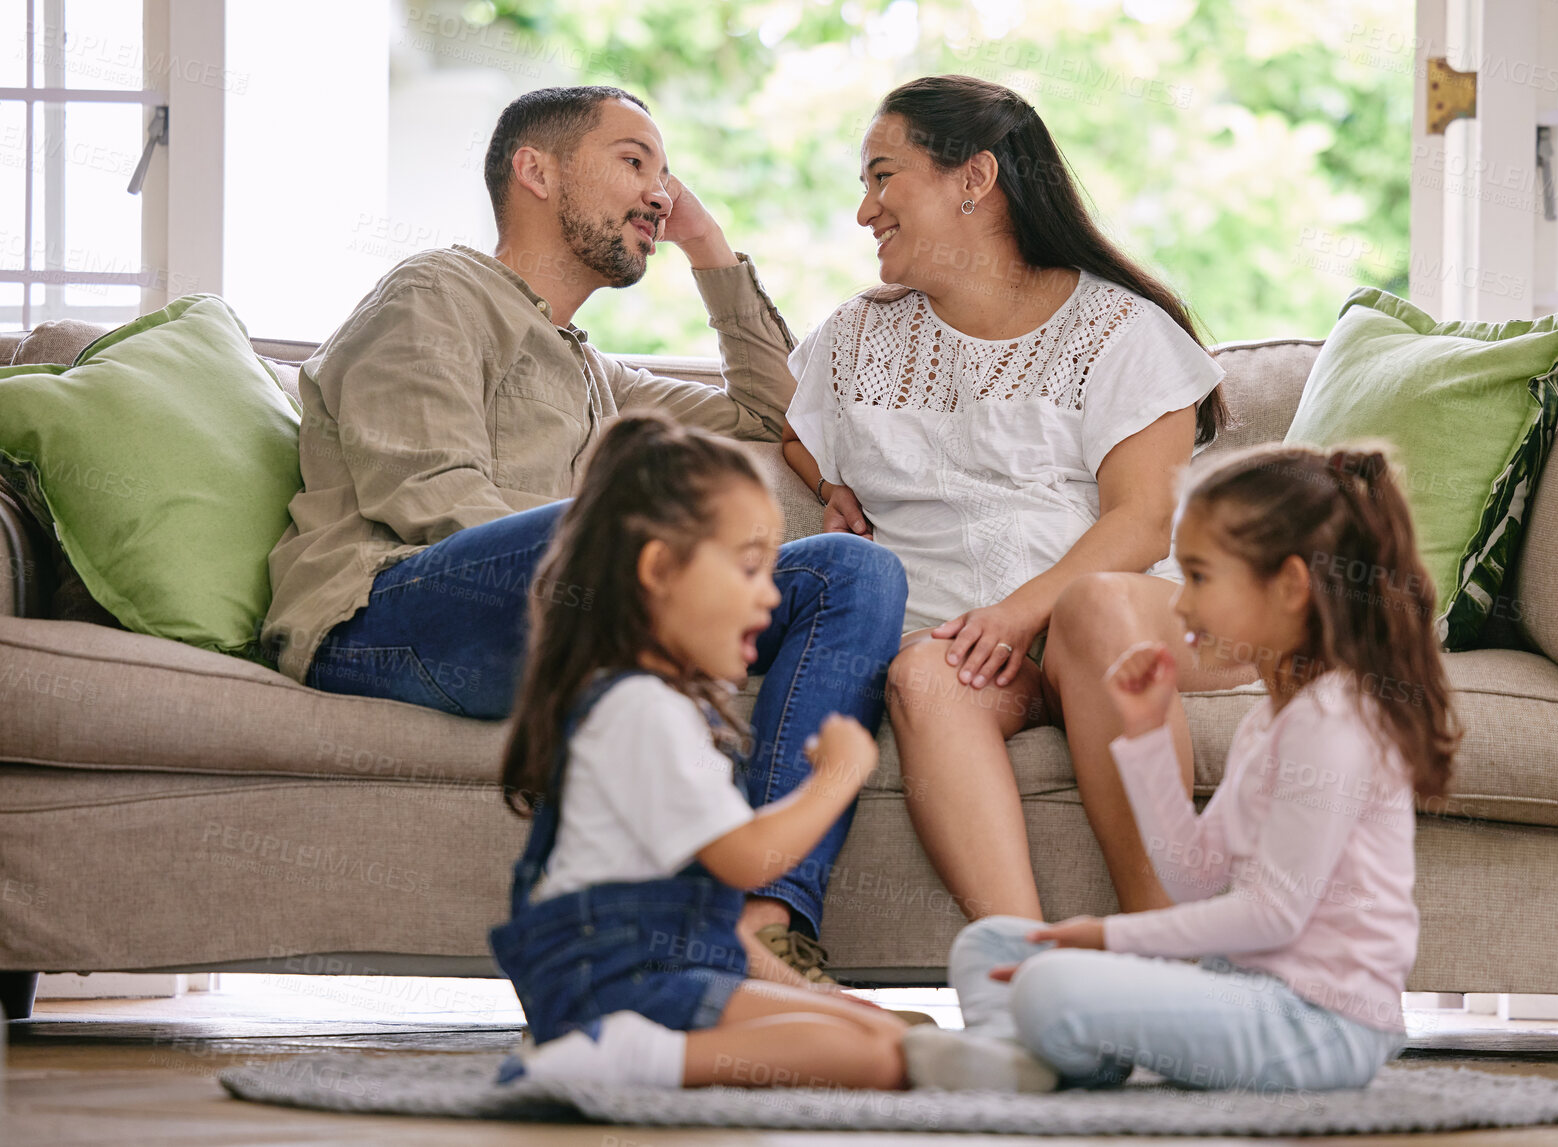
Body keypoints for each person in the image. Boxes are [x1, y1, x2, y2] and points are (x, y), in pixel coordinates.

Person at [260, 86, 906, 987]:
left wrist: (705, 246)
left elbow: (773, 414)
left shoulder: (593, 369)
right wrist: (629, 588)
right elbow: (427, 496)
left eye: (665, 174)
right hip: (387, 613)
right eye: (633, 161)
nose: (657, 191)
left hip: (547, 609)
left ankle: (763, 927)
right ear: (536, 170)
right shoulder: (435, 292)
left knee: (851, 569)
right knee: (620, 538)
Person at [781, 74, 1238, 924]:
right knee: (923, 673)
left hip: (1108, 619)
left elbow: (1140, 522)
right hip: (963, 642)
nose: (864, 210)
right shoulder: (855, 335)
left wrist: (1020, 613)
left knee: (1093, 611)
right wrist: (827, 484)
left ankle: (1160, 944)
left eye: (884, 177)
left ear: (974, 180)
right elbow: (789, 425)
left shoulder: (1120, 328)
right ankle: (1024, 965)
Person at [905, 443, 1460, 1092]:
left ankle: (1031, 1047)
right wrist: (1142, 735)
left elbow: (1272, 916)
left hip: (1319, 1024)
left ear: (1287, 587)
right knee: (993, 944)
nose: (1181, 604)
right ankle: (1017, 1060)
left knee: (1050, 979)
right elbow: (1193, 873)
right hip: (1240, 992)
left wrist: (1106, 938)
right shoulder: (1273, 719)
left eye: (1199, 576)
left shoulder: (1334, 725)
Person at [487, 414, 913, 1093]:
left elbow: (712, 922)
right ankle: (617, 1057)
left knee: (881, 1037)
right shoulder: (641, 709)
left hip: (661, 971)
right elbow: (748, 861)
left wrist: (822, 1001)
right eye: (750, 569)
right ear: (658, 568)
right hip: (615, 981)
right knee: (873, 1059)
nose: (772, 594)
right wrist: (835, 775)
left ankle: (611, 1051)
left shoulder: (666, 710)